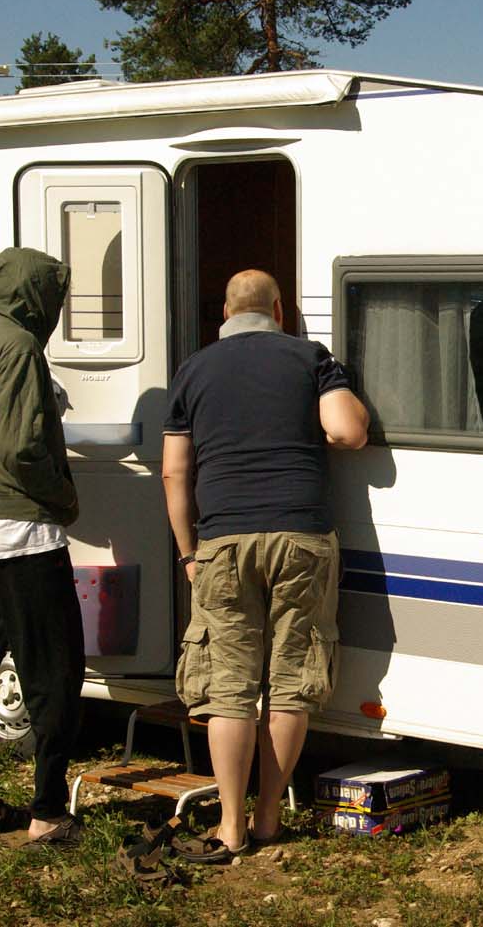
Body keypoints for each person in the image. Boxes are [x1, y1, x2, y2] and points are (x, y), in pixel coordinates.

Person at [162, 268, 369, 862]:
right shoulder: (310, 358)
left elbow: (174, 471)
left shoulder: (193, 370)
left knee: (230, 687)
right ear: (280, 310)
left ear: (224, 314)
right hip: (301, 536)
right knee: (290, 682)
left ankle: (229, 827)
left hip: (222, 540)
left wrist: (188, 553)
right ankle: (270, 816)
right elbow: (347, 431)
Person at [0, 247, 86, 848]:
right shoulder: (21, 347)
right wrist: (65, 496)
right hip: (26, 534)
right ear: (37, 297)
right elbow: (21, 449)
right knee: (55, 672)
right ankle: (48, 811)